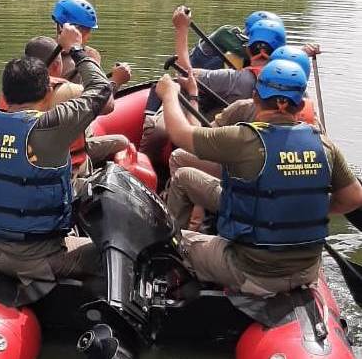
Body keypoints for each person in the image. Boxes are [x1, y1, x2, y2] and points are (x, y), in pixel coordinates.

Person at [158, 60, 362, 296]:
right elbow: (354, 197)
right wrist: (302, 210)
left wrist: (169, 94)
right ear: (299, 104)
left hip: (251, 270)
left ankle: (171, 272)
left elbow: (180, 134)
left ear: (256, 97)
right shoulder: (324, 145)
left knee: (176, 242)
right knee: (184, 177)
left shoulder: (243, 139)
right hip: (306, 271)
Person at [0, 23, 113, 285]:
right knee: (114, 251)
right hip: (35, 257)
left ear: (4, 94)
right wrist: (77, 49)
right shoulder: (50, 126)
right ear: (48, 92)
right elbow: (102, 90)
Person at [168, 42, 319, 180]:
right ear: (300, 105)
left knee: (179, 158)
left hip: (245, 196)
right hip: (290, 194)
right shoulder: (320, 141)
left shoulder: (242, 135)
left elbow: (187, 137)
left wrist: (182, 95)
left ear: (255, 97)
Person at [23, 35, 130, 175]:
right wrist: (114, 78)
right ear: (56, 65)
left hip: (30, 154)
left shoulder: (13, 86)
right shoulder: (68, 90)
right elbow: (106, 103)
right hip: (63, 160)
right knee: (122, 142)